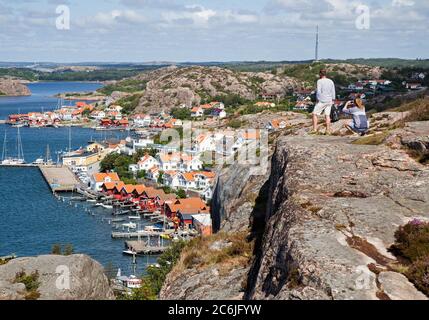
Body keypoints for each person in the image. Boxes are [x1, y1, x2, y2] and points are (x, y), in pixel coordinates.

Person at [312, 69, 336, 134]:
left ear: (320, 74)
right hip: (329, 100)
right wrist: (333, 99)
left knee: (314, 113)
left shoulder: (319, 81)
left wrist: (317, 100)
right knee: (327, 115)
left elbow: (318, 92)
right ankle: (327, 130)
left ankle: (314, 130)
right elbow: (333, 91)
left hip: (322, 100)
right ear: (326, 74)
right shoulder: (331, 81)